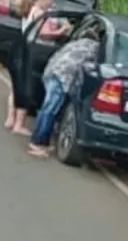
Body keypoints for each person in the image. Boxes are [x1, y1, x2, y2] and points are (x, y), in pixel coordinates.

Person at [27, 28, 101, 157]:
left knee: (47, 108)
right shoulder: (94, 48)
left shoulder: (73, 44)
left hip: (53, 73)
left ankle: (41, 141)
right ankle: (37, 143)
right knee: (50, 110)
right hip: (62, 78)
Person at [4, 0, 56, 136]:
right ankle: (19, 125)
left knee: (15, 88)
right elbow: (44, 34)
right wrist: (62, 30)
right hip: (31, 51)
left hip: (20, 47)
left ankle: (10, 119)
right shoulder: (39, 12)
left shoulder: (28, 9)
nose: (51, 2)